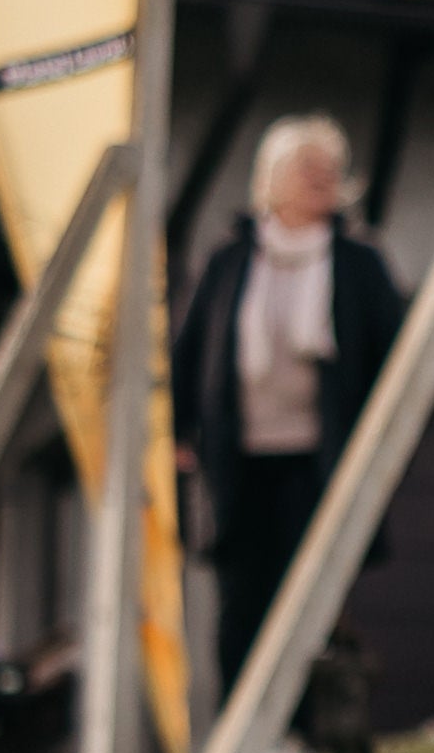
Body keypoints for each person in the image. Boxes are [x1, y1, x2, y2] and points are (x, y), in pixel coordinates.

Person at [170, 115, 405, 718]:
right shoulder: (230, 258)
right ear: (271, 181)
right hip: (238, 462)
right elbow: (191, 352)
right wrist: (178, 435)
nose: (320, 180)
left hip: (319, 462)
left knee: (310, 600)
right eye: (305, 169)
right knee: (239, 603)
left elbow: (394, 358)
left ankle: (305, 731)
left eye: (329, 169)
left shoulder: (359, 262)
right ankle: (237, 735)